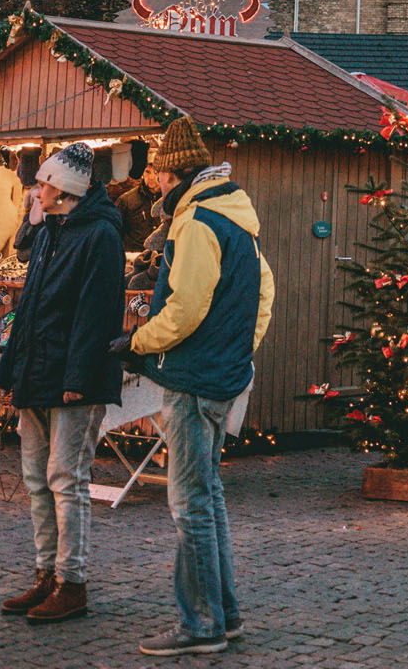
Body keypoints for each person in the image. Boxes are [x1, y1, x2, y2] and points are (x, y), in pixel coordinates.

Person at [115, 116, 274, 659]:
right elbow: (264, 296)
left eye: (158, 174)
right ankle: (224, 615)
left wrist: (138, 340)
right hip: (221, 375)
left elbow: (184, 308)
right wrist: (239, 354)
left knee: (190, 506)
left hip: (192, 378)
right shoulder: (237, 219)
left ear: (177, 172)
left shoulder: (198, 221)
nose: (154, 184)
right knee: (208, 499)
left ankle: (201, 623)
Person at [0, 141, 126, 625]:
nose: (36, 190)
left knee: (65, 481)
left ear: (64, 189)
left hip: (72, 380)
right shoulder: (53, 230)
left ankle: (71, 582)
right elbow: (30, 306)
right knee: (38, 481)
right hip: (38, 370)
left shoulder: (100, 236)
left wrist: (78, 377)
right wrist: (13, 368)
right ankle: (47, 575)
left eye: (44, 184)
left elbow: (96, 313)